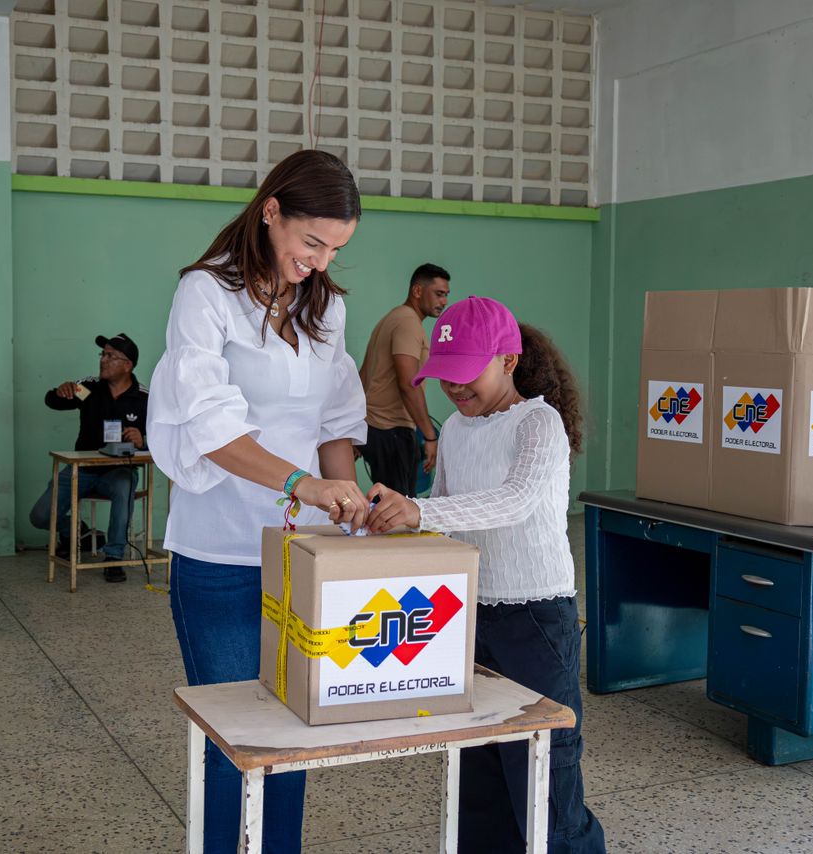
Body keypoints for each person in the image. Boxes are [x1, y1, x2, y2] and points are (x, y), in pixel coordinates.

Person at [147, 150, 370, 854]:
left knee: (295, 729)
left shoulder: (326, 305)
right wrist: (301, 485)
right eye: (312, 242)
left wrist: (351, 510)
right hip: (220, 551)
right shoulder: (207, 294)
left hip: (302, 554)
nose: (320, 261)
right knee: (235, 739)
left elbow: (336, 420)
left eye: (335, 249)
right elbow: (211, 428)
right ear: (270, 210)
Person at [365, 297, 606, 854]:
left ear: (508, 360)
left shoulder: (538, 423)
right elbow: (447, 509)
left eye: (464, 373)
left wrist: (420, 511)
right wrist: (390, 522)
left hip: (534, 614)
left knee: (544, 759)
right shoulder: (454, 431)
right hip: (468, 610)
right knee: (478, 758)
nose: (453, 388)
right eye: (443, 376)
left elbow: (513, 502)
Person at [28, 333, 147, 582]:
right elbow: (53, 401)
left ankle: (114, 557)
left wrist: (143, 440)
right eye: (102, 354)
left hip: (118, 471)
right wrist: (61, 391)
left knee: (124, 486)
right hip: (81, 469)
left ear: (128, 364)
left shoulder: (144, 398)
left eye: (110, 355)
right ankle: (74, 532)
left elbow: (166, 435)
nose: (103, 360)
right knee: (39, 516)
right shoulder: (89, 389)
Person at [358, 263, 450, 495]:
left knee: (386, 511)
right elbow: (408, 383)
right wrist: (430, 436)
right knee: (397, 517)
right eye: (439, 294)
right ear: (417, 291)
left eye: (446, 295)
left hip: (376, 428)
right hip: (391, 431)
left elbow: (362, 376)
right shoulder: (408, 321)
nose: (444, 301)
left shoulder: (393, 318)